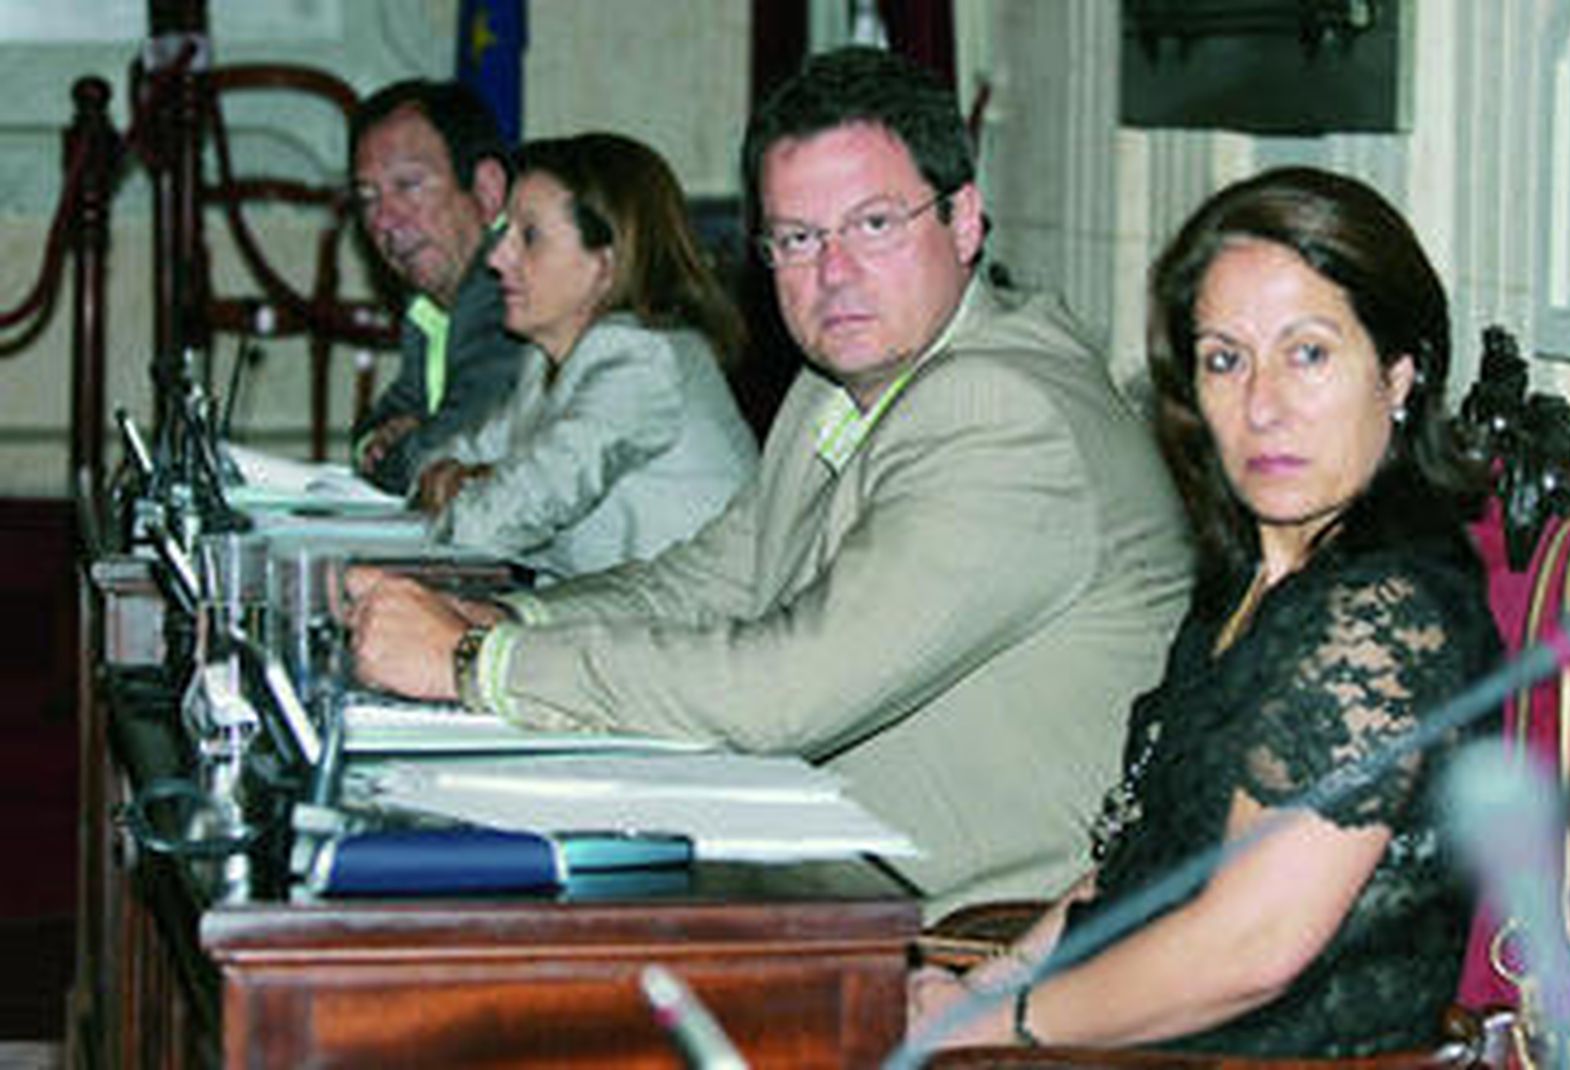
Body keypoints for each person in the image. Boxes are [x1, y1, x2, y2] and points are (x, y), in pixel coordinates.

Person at [345, 46, 1192, 914]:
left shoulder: (1005, 411)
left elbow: (787, 690)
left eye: (873, 225)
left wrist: (476, 662)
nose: (833, 274)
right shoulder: (840, 380)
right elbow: (712, 579)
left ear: (965, 221)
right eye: (797, 238)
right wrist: (506, 617)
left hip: (969, 939)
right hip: (817, 872)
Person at [908, 167, 1502, 1057]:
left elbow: (1249, 948)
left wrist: (1000, 1025)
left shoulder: (1385, 617)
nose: (1262, 406)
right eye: (1225, 359)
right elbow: (1141, 865)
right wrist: (986, 982)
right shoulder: (1250, 586)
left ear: (1399, 374)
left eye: (1308, 353)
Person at [409, 133, 758, 580]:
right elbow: (432, 467)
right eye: (503, 234)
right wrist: (462, 479)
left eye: (529, 237)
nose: (496, 258)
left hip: (700, 638)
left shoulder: (643, 363)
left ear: (606, 264)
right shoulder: (544, 364)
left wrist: (467, 483)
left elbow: (493, 522)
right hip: (622, 628)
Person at [348, 79, 526, 495]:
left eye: (408, 186)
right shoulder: (430, 307)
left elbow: (446, 453)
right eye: (368, 198)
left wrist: (399, 449)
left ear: (486, 190)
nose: (384, 222)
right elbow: (380, 423)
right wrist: (373, 445)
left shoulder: (516, 290)